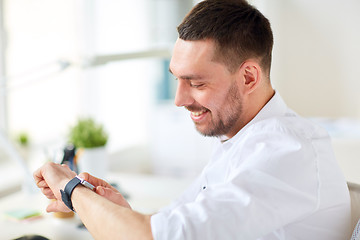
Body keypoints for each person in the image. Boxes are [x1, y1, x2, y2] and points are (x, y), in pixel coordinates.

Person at [33, 0, 351, 239]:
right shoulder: (238, 139)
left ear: (250, 77)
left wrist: (71, 188)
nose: (180, 100)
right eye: (178, 80)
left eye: (197, 84)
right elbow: (177, 227)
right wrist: (119, 211)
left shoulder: (287, 151)